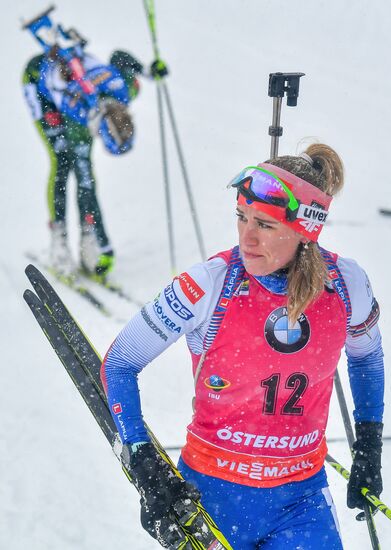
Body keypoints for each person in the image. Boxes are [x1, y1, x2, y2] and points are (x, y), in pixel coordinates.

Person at [101, 144, 384, 549]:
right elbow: (120, 363)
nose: (247, 237)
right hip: (212, 497)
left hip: (300, 501)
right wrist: (142, 457)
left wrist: (370, 443)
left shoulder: (345, 285)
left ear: (307, 229)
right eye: (241, 217)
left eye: (265, 225)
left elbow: (367, 357)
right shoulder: (210, 284)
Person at [23, 38, 144, 280]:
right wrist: (105, 246)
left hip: (74, 88)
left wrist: (146, 70)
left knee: (83, 174)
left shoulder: (124, 88)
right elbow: (86, 183)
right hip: (39, 82)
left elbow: (120, 56)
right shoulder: (79, 116)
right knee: (63, 162)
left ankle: (87, 236)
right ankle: (60, 240)